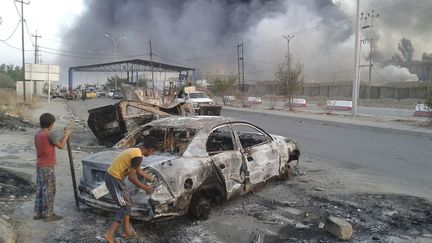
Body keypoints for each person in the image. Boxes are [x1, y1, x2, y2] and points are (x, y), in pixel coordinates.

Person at [103, 137, 158, 243]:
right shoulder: (138, 156)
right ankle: (109, 234)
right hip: (114, 178)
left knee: (128, 203)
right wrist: (145, 187)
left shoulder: (135, 151)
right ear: (150, 149)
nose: (152, 154)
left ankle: (126, 231)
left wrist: (149, 177)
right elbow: (131, 177)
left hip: (116, 178)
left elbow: (138, 169)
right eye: (153, 152)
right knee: (124, 206)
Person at [34, 113, 72, 222]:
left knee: (41, 190)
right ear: (50, 124)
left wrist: (64, 136)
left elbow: (55, 143)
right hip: (47, 167)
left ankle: (38, 213)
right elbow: (61, 145)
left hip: (40, 165)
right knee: (49, 191)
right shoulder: (49, 134)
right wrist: (67, 135)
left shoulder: (38, 134)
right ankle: (48, 215)